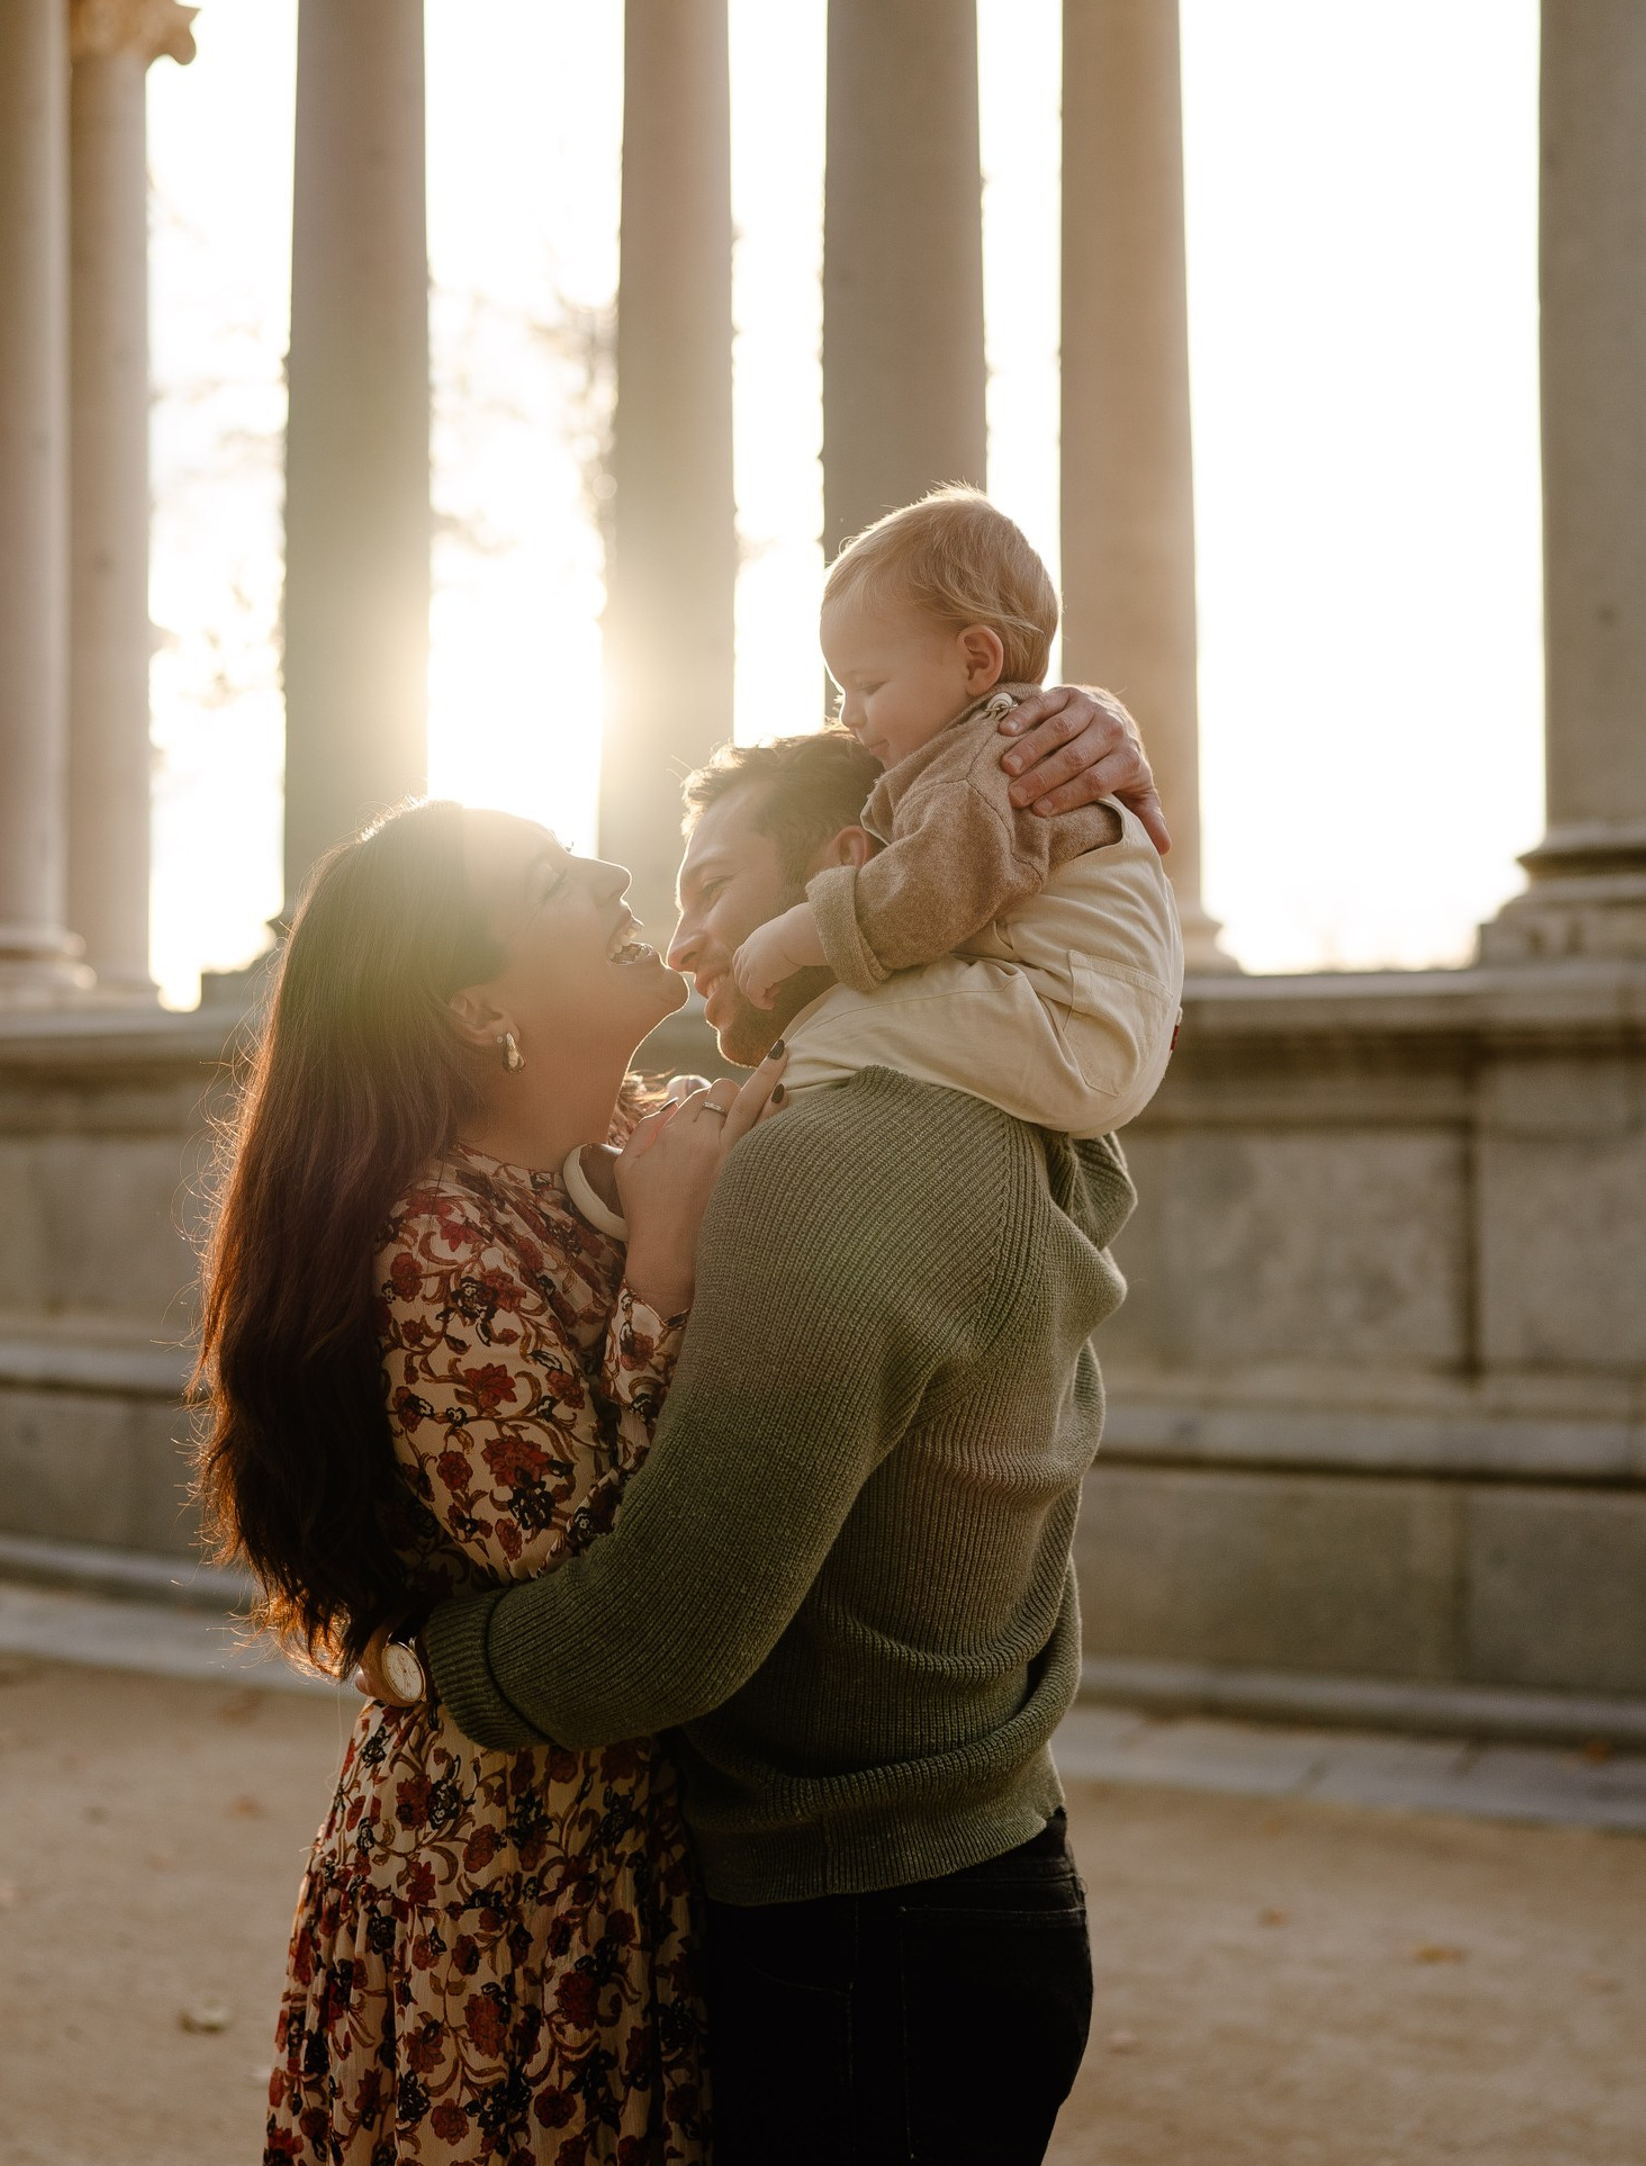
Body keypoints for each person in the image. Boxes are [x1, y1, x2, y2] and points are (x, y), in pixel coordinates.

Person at [410, 706, 1174, 2165]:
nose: (682, 934)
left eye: (710, 885)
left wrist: (406, 1653)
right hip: (974, 1879)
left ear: (845, 864)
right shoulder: (990, 1105)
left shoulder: (831, 1164)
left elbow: (667, 1635)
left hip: (863, 1934)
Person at [193, 801, 783, 2164]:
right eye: (552, 880)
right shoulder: (433, 1235)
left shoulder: (642, 1149)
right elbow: (600, 1579)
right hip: (500, 1883)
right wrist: (661, 1277)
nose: (616, 872)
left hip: (635, 1854)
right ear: (480, 1004)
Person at [732, 487, 1181, 1138]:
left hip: (1068, 1023)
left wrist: (796, 935)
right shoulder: (1004, 750)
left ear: (977, 661)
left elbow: (925, 897)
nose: (849, 714)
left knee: (821, 1036)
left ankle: (719, 1154)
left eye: (869, 685)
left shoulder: (985, 765)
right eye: (841, 690)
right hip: (1095, 1029)